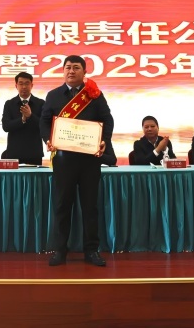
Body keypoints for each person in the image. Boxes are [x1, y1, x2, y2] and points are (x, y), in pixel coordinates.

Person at [39, 55, 114, 267]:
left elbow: (107, 120)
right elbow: (44, 122)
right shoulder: (53, 95)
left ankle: (91, 251)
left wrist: (103, 141)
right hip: (64, 161)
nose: (71, 71)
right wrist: (48, 139)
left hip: (90, 160)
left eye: (76, 68)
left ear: (84, 72)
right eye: (68, 68)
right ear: (63, 71)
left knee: (90, 207)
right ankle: (60, 251)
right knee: (62, 206)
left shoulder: (94, 95)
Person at [1, 72, 45, 165]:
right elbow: (6, 126)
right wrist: (22, 120)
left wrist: (30, 116)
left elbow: (43, 125)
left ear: (32, 85)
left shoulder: (40, 103)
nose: (24, 87)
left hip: (34, 153)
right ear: (16, 86)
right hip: (14, 153)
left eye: (27, 83)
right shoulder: (9, 104)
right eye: (21, 84)